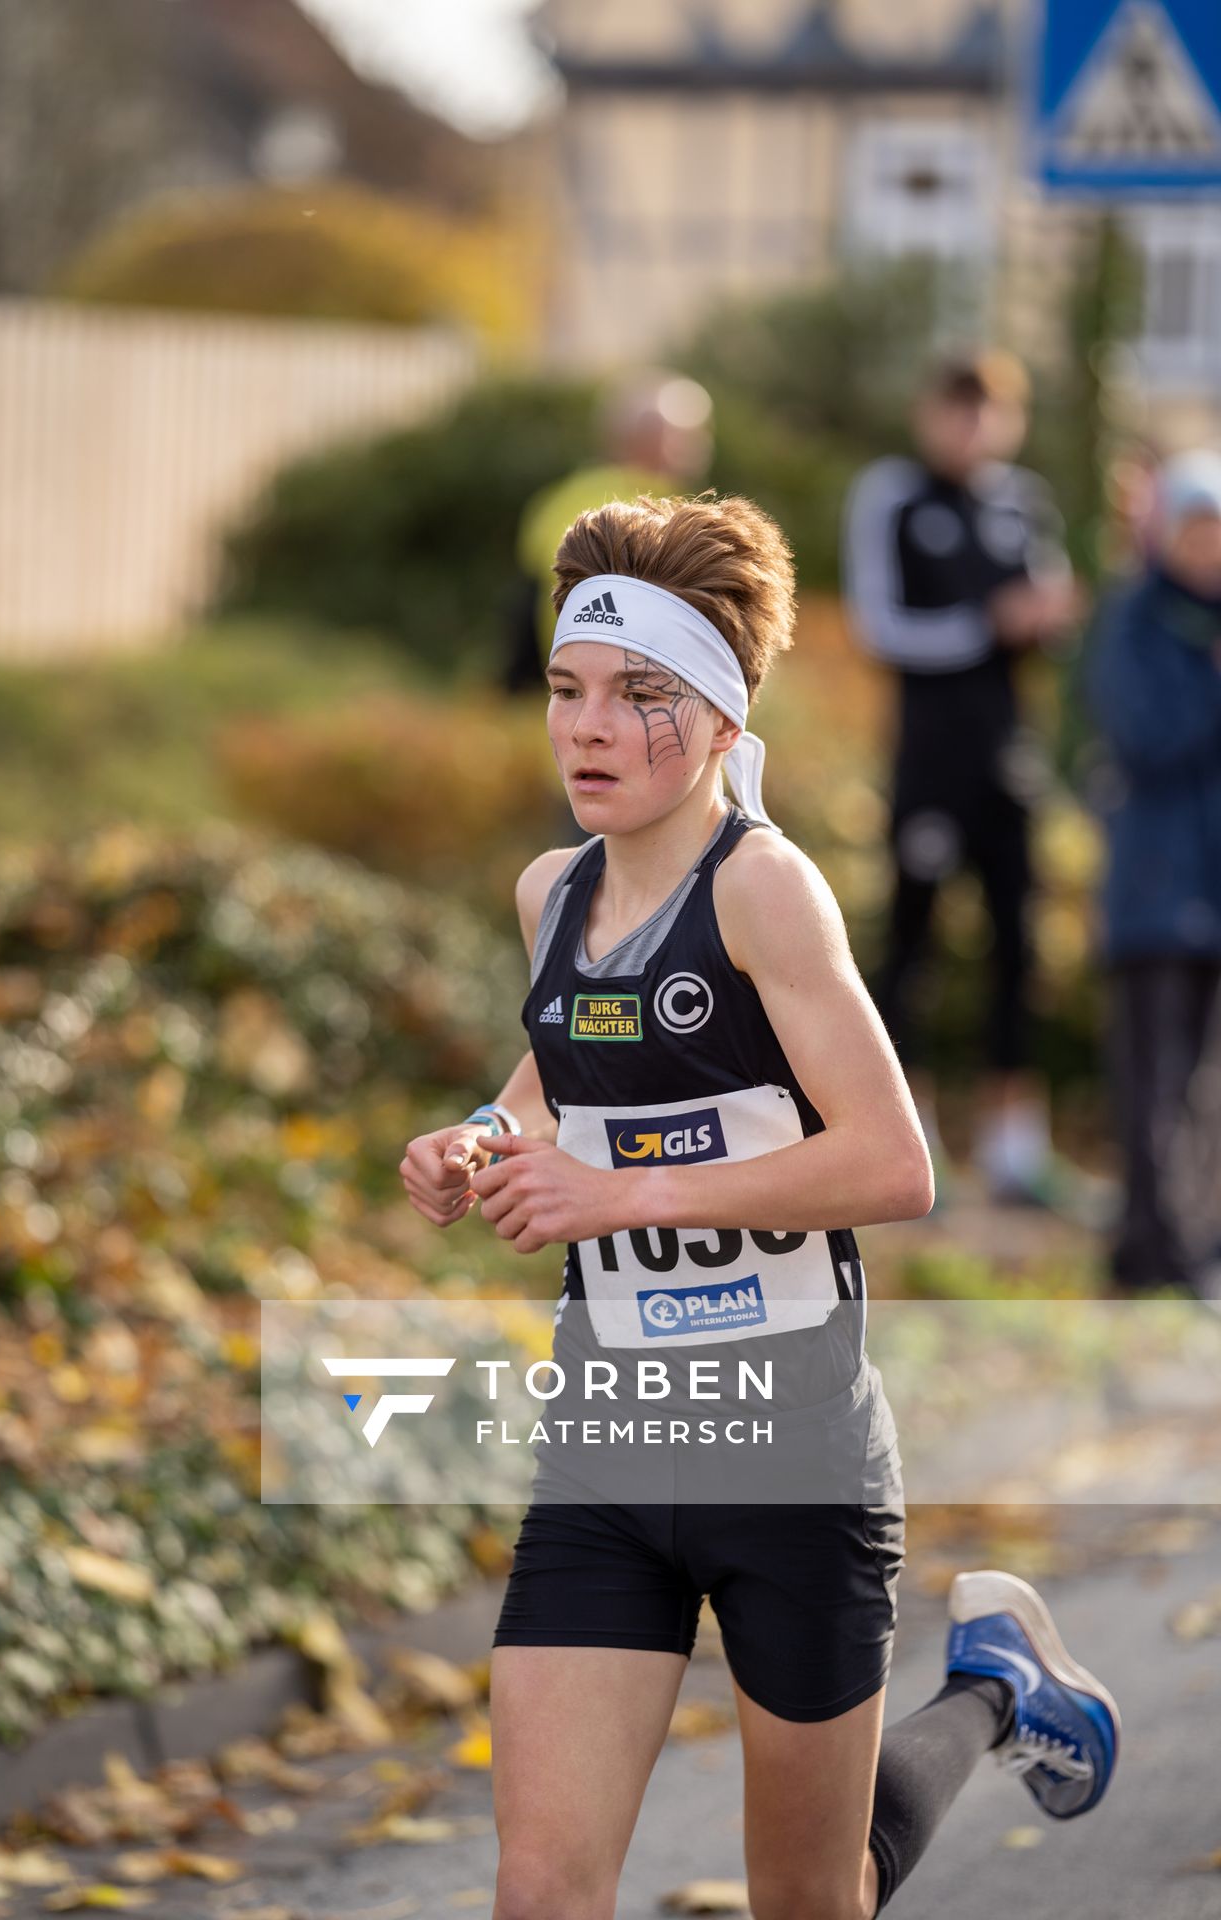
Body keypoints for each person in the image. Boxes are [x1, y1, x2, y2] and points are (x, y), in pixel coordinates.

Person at [400, 494, 1120, 1917]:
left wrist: (618, 1196)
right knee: (540, 1892)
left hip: (791, 1447)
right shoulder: (554, 893)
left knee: (812, 1896)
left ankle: (993, 1694)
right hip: (611, 1441)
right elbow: (561, 1067)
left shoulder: (766, 893)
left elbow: (893, 1164)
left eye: (637, 697)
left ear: (723, 721)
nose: (588, 729)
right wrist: (482, 1137)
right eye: (567, 690)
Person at [842, 352, 1084, 1205]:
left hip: (1009, 762)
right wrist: (987, 624)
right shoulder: (893, 494)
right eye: (959, 409)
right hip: (928, 759)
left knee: (1018, 945)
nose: (974, 428)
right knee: (913, 945)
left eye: (991, 412)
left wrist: (1046, 619)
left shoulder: (1025, 501)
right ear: (927, 413)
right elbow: (880, 627)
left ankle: (1015, 1146)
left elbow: (1047, 610)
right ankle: (906, 1139)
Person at [1085, 449, 1221, 1298]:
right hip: (1154, 895)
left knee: (1208, 1089)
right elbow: (1142, 734)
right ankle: (1149, 1252)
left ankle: (1200, 1246)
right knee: (1151, 1086)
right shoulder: (1133, 621)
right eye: (1195, 530)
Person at [502, 370, 713, 694]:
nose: (702, 443)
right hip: (619, 688)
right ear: (649, 438)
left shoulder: (559, 496)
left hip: (569, 681)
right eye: (689, 433)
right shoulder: (659, 511)